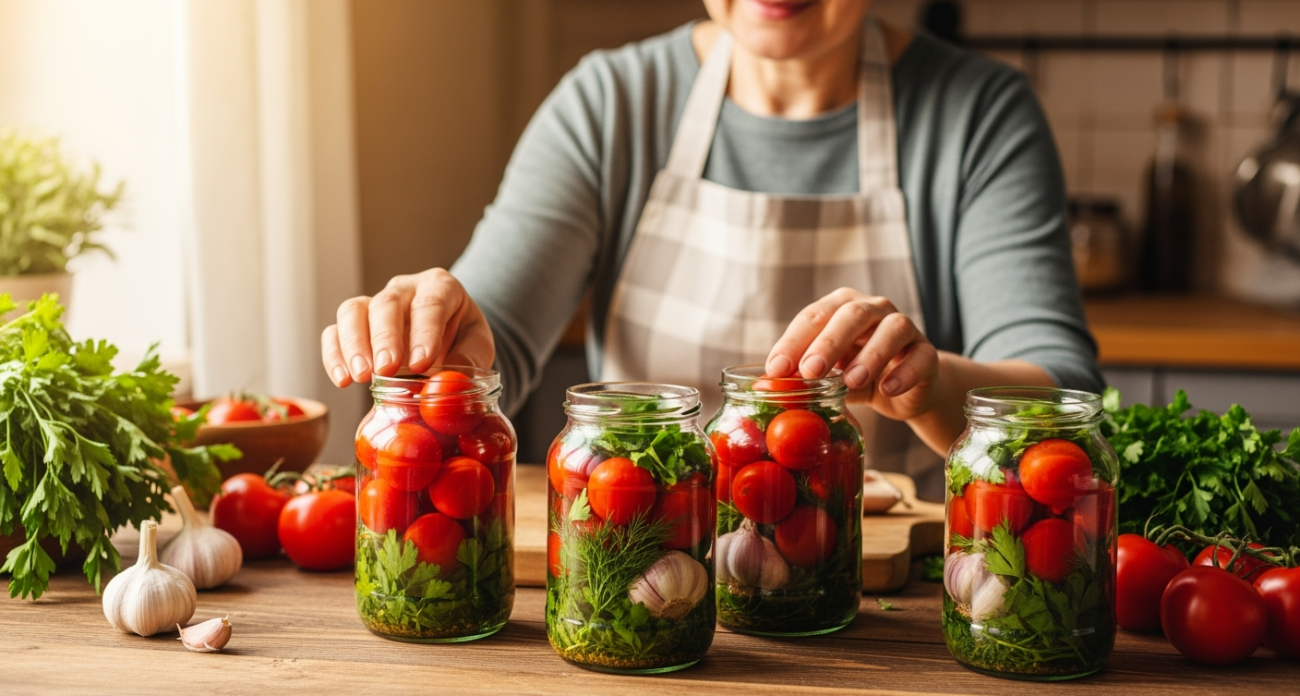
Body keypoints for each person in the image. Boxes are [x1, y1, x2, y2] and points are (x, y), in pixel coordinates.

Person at [320, 0, 1102, 498]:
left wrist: (929, 387)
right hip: (633, 552)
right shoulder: (610, 103)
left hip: (895, 600)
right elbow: (495, 341)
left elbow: (1062, 387)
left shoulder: (980, 116)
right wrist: (449, 340)